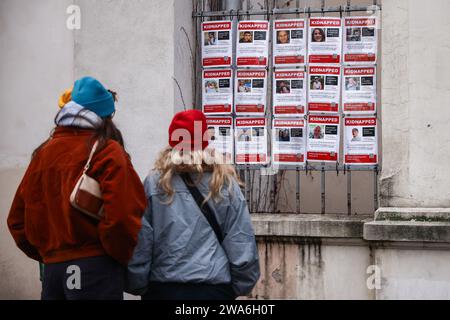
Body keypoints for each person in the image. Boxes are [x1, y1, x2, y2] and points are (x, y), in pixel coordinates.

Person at [7, 76, 147, 300]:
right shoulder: (107, 151)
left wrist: (49, 254)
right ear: (104, 116)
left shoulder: (42, 154)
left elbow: (16, 220)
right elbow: (123, 215)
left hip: (53, 273)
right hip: (96, 268)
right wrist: (115, 257)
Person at [126, 110, 260, 300]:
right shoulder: (224, 184)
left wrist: (137, 283)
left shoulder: (154, 183)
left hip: (163, 289)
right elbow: (241, 241)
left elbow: (142, 241)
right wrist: (237, 288)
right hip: (213, 289)